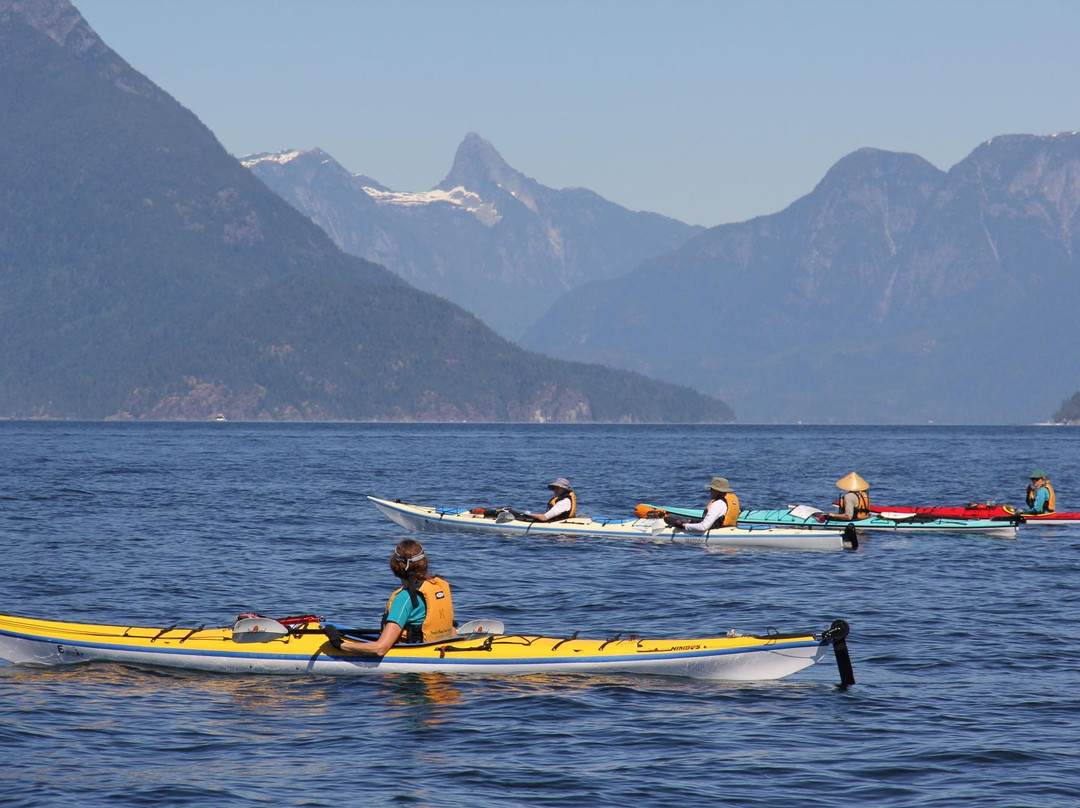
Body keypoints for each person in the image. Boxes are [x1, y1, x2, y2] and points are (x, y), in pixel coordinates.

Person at [324, 539, 454, 656]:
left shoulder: (405, 598)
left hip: (414, 658)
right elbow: (452, 632)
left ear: (395, 567)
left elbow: (380, 649)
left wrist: (339, 644)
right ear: (424, 564)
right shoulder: (437, 585)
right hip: (437, 650)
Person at [665, 477, 740, 532]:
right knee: (676, 518)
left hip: (715, 532)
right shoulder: (724, 502)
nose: (710, 491)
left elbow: (704, 527)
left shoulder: (717, 504)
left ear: (718, 491)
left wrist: (683, 525)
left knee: (669, 519)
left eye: (711, 489)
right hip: (727, 528)